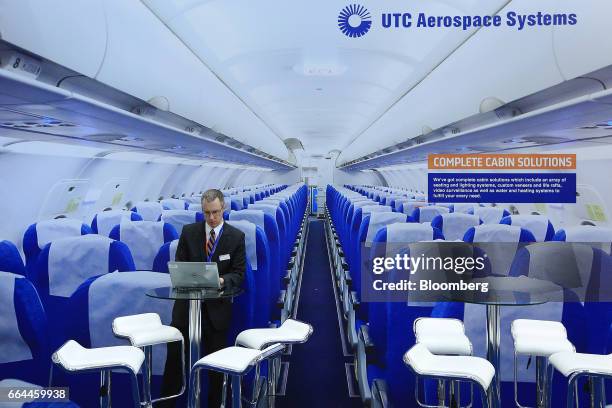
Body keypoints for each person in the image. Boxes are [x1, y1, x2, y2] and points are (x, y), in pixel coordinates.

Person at [160, 189, 246, 407]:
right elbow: (179, 267)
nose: (212, 218)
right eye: (207, 213)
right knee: (175, 365)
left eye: (216, 212)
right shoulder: (189, 233)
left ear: (223, 208)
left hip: (216, 312)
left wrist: (222, 280)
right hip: (186, 311)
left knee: (215, 370)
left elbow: (239, 274)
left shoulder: (236, 237)